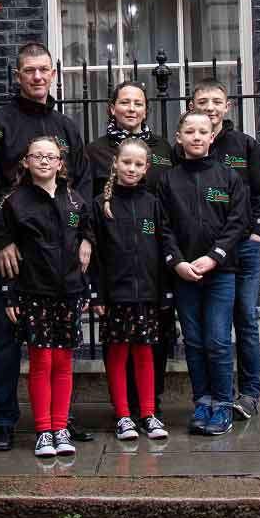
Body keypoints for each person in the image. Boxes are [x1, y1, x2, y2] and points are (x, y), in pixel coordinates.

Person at [0, 41, 93, 452]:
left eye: (44, 69)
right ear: (17, 76)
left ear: (53, 73)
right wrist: (0, 240)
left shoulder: (67, 127)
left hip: (61, 253)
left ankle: (60, 421)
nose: (37, 77)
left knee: (60, 342)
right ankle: (4, 418)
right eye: (29, 71)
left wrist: (86, 238)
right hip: (14, 250)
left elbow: (85, 187)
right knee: (8, 335)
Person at [84, 80, 176, 420]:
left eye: (138, 103)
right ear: (112, 107)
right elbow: (89, 205)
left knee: (156, 338)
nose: (132, 108)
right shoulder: (95, 151)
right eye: (125, 102)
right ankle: (122, 409)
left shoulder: (164, 148)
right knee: (119, 344)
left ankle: (152, 404)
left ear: (146, 109)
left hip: (153, 260)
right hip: (115, 259)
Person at [156, 108, 251, 436]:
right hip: (184, 275)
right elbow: (162, 227)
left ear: (212, 137)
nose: (196, 137)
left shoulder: (229, 177)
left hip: (221, 272)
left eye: (202, 132)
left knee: (217, 340)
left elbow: (237, 222)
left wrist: (214, 257)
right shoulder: (168, 180)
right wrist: (177, 262)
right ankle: (203, 402)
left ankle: (223, 404)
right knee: (194, 341)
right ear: (179, 138)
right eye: (190, 132)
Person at [0, 135, 95, 459]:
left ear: (59, 163)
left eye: (50, 156)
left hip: (68, 291)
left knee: (64, 363)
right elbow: (8, 253)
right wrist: (10, 295)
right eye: (36, 155)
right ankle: (43, 431)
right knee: (41, 362)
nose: (43, 161)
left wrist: (84, 287)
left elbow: (85, 238)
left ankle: (61, 427)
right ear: (26, 162)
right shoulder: (15, 203)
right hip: (34, 291)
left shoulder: (75, 200)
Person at [192, 79, 260, 421]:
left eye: (216, 101)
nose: (210, 107)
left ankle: (250, 393)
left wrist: (257, 233)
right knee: (213, 327)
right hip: (208, 252)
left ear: (228, 106)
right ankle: (215, 395)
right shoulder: (189, 145)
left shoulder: (245, 145)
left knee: (246, 319)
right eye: (203, 101)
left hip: (243, 248)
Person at [91, 138, 171, 443]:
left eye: (139, 164)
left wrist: (164, 291)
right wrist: (97, 293)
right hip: (115, 295)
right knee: (117, 354)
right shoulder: (101, 205)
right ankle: (123, 415)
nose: (132, 168)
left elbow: (163, 246)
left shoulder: (152, 204)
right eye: (127, 162)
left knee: (145, 353)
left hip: (147, 294)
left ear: (147, 168)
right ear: (115, 163)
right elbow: (94, 254)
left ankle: (148, 413)